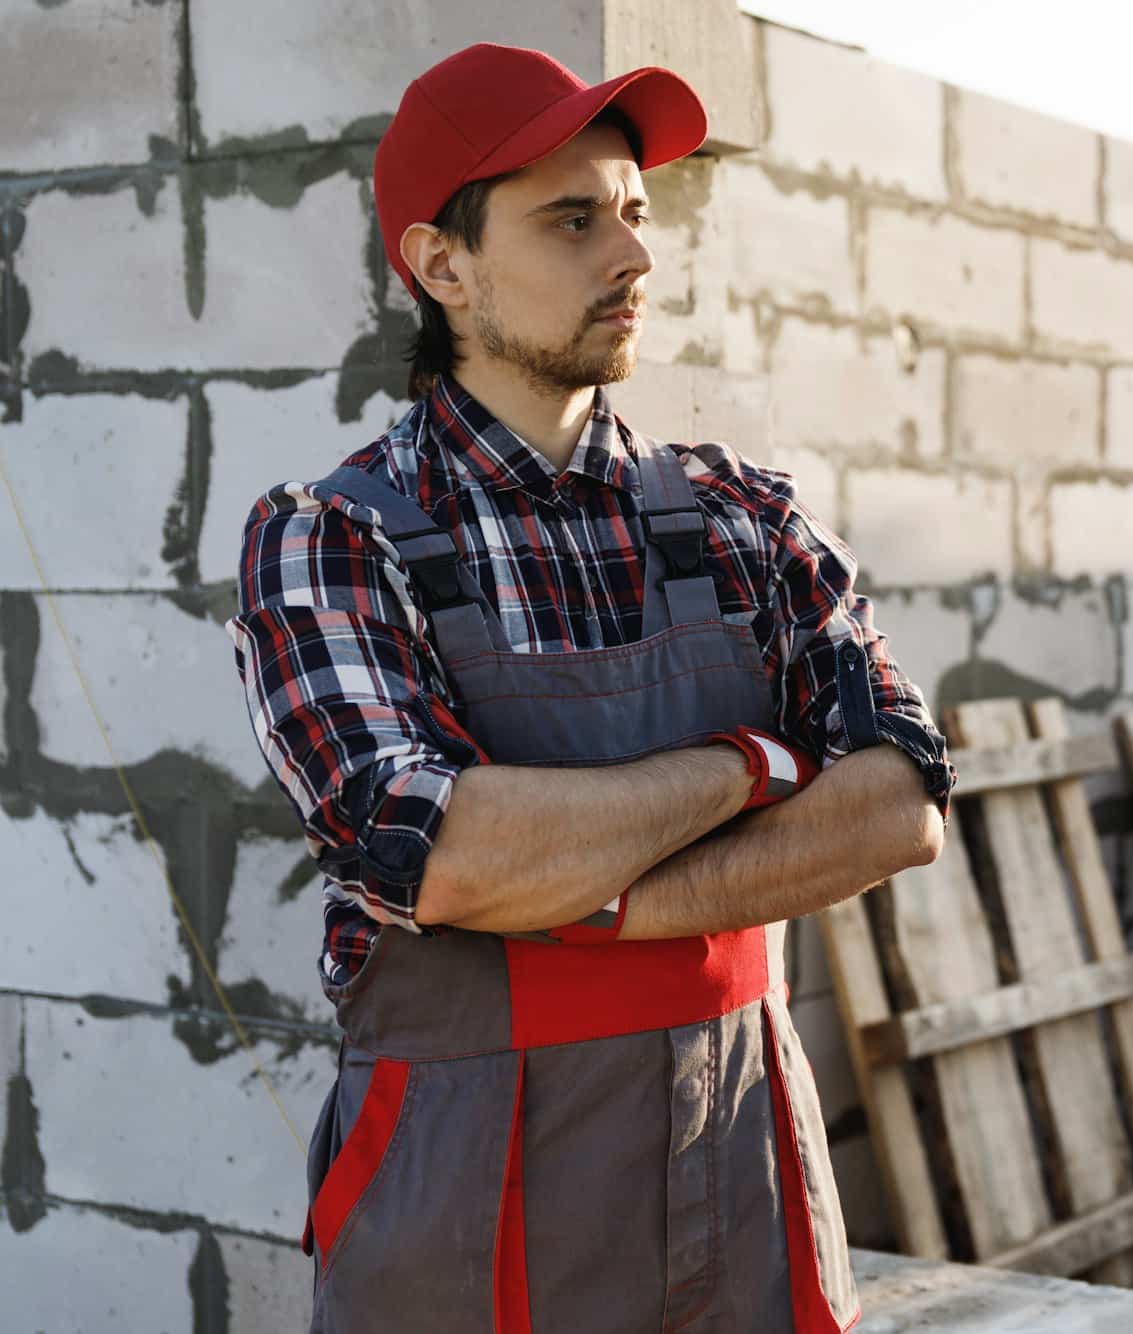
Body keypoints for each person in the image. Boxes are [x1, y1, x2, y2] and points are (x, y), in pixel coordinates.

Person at [226, 41, 954, 1333]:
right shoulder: (333, 536)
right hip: (466, 1196)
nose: (632, 257)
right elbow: (444, 856)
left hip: (743, 1170)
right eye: (572, 220)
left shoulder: (743, 515)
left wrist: (582, 899)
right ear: (441, 264)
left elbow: (899, 801)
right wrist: (747, 766)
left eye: (632, 211)